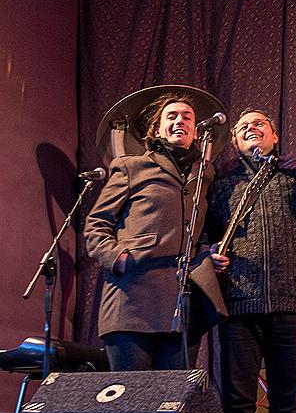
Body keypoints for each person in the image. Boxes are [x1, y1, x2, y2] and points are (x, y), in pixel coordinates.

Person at [205, 108, 296, 413]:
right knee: (238, 406)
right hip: (238, 308)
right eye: (243, 127)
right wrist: (207, 256)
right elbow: (201, 237)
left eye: (260, 125)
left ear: (275, 135)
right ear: (234, 141)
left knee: (287, 407)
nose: (251, 130)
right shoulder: (221, 186)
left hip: (290, 306)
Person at [85, 92, 226, 371]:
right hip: (131, 300)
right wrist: (118, 257)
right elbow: (96, 224)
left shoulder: (204, 175)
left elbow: (200, 230)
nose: (179, 121)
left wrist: (209, 254)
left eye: (187, 117)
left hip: (180, 307)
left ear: (197, 131)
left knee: (172, 405)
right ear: (157, 129)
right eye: (171, 116)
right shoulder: (132, 167)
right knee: (133, 400)